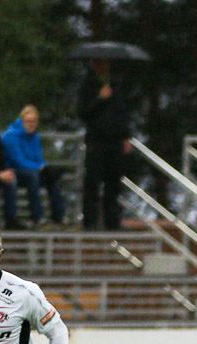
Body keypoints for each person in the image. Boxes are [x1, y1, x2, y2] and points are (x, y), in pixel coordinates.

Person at [77, 59, 131, 230]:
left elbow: (123, 112)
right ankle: (90, 222)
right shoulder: (87, 85)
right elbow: (83, 112)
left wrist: (126, 136)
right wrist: (100, 98)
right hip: (96, 141)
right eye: (99, 63)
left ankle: (113, 221)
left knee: (114, 183)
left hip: (115, 142)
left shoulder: (116, 84)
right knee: (92, 183)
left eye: (105, 63)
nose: (102, 66)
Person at [0, 106, 65, 229]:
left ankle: (58, 218)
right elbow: (17, 160)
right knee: (33, 176)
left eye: (34, 121)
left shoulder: (35, 136)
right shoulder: (11, 136)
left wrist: (45, 168)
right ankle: (37, 217)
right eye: (28, 121)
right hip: (12, 170)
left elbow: (38, 158)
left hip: (30, 169)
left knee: (52, 177)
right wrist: (39, 168)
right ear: (22, 121)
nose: (31, 124)